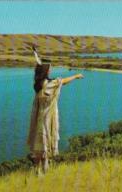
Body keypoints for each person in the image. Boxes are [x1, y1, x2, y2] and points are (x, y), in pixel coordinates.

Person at [27, 46, 84, 176]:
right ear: (46, 70)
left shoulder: (38, 84)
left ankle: (39, 173)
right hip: (47, 119)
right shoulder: (50, 84)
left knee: (39, 146)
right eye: (50, 67)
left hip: (39, 119)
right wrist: (76, 76)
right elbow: (62, 82)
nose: (51, 69)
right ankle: (41, 173)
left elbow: (38, 66)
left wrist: (36, 55)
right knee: (45, 146)